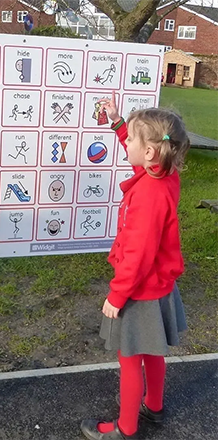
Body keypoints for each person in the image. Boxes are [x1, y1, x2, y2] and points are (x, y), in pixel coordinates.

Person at [80, 92, 190, 440]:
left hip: (139, 290)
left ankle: (126, 429)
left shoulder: (148, 195)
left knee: (130, 360)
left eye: (132, 138)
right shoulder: (163, 176)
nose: (126, 142)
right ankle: (153, 407)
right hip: (160, 285)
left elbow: (139, 254)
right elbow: (137, 155)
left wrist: (117, 295)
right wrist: (116, 121)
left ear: (150, 153)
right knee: (152, 351)